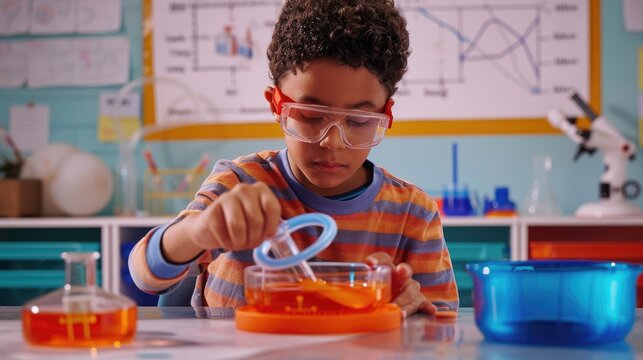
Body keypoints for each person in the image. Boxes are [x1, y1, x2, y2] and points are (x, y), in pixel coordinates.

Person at [129, 0, 458, 317]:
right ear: (276, 105)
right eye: (310, 116)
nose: (331, 143)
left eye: (358, 122)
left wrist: (410, 308)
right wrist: (197, 231)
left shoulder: (413, 215)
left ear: (385, 115)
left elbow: (440, 328)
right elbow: (145, 275)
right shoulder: (240, 184)